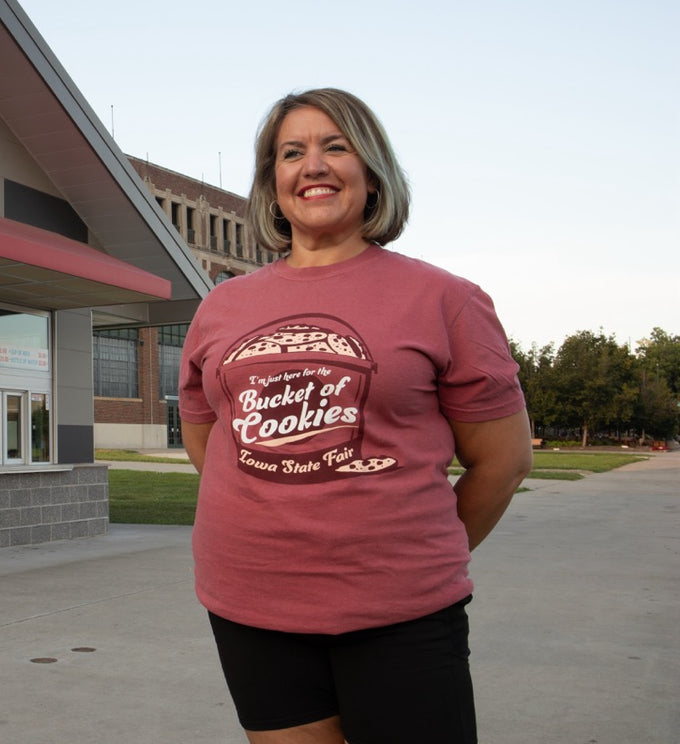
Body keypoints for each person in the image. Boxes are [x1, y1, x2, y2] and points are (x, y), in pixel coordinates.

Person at [179, 88, 532, 744]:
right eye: (292, 153)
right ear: (272, 183)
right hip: (250, 607)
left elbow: (504, 462)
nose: (312, 165)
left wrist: (408, 552)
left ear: (371, 175)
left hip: (402, 613)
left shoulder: (447, 299)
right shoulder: (220, 308)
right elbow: (212, 445)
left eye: (334, 147)